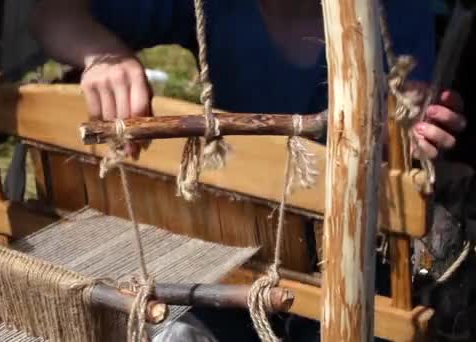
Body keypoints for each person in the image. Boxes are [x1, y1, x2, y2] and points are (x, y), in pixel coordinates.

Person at [30, 0, 467, 340]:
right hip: (234, 259)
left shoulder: (390, 12)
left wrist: (408, 141)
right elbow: (53, 11)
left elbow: (405, 121)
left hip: (350, 269)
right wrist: (102, 55)